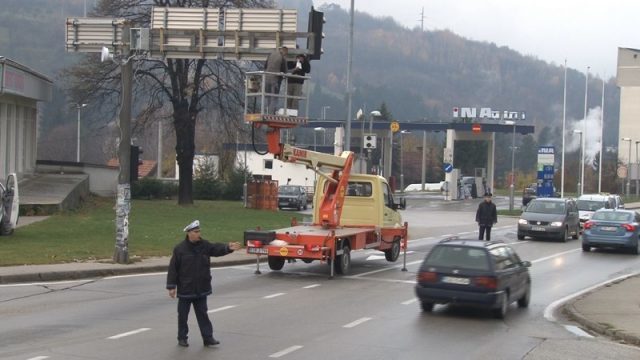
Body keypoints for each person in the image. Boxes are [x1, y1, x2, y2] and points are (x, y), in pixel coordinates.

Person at [166, 220, 242, 348]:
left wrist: (228, 248)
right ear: (189, 233)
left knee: (203, 314)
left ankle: (208, 338)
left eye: (199, 231)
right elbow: (173, 268)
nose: (198, 234)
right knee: (183, 316)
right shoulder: (180, 249)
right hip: (186, 288)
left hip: (201, 288)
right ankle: (182, 338)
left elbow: (216, 249)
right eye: (196, 232)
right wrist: (171, 286)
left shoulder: (204, 245)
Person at [264, 46, 288, 113]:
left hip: (267, 78)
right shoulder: (282, 58)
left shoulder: (271, 54)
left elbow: (265, 66)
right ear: (284, 51)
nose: (285, 55)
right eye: (286, 53)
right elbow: (285, 70)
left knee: (268, 96)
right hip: (275, 80)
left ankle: (267, 110)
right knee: (275, 97)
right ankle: (272, 112)